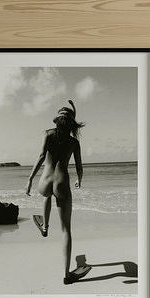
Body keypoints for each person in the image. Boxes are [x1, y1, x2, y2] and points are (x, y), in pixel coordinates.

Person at [26, 100, 91, 285]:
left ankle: (45, 227)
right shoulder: (73, 142)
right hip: (62, 184)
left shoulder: (48, 134)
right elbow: (79, 166)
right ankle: (66, 275)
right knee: (66, 230)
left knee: (46, 195)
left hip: (44, 182)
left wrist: (30, 179)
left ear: (57, 121)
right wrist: (80, 179)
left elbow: (40, 157)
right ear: (71, 124)